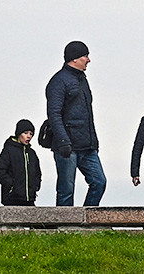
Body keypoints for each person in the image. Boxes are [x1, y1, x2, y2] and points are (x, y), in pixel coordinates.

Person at [45, 40, 106, 206]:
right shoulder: (58, 81)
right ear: (74, 59)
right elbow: (54, 114)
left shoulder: (82, 80)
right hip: (67, 147)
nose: (88, 60)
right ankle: (65, 229)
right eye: (85, 56)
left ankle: (86, 222)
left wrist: (94, 142)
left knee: (99, 182)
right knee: (66, 190)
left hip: (87, 146)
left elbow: (86, 115)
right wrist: (63, 142)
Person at [0, 119, 42, 206]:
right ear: (19, 134)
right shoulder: (9, 150)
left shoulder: (32, 153)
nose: (28, 136)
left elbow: (37, 172)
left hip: (29, 199)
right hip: (12, 199)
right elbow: (0, 170)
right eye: (25, 133)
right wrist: (11, 185)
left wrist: (36, 186)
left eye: (31, 134)